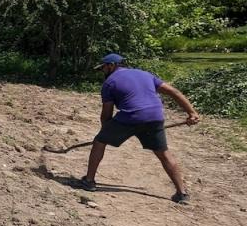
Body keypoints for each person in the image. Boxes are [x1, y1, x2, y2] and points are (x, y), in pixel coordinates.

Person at [78, 53, 200, 203]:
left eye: (103, 68)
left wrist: (106, 134)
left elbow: (106, 115)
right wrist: (191, 112)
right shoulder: (145, 74)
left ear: (111, 65)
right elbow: (173, 92)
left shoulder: (109, 83)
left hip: (130, 116)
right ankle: (182, 193)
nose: (103, 71)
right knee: (163, 153)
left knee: (98, 142)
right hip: (155, 117)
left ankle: (89, 181)